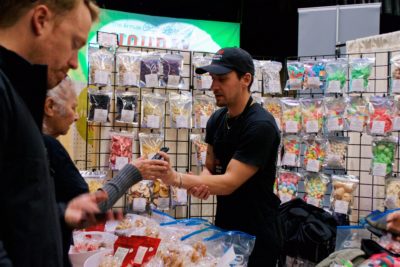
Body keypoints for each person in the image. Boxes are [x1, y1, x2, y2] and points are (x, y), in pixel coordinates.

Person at [0, 1, 107, 266]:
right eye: (75, 43)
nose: (73, 62)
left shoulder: (18, 95)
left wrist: (59, 215)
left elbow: (12, 214)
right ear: (41, 19)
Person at [158, 47, 283, 266]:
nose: (214, 87)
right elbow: (210, 167)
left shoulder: (260, 125)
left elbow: (228, 182)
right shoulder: (216, 119)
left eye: (222, 79)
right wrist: (202, 182)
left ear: (246, 79)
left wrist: (176, 178)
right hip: (224, 227)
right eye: (213, 79)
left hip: (257, 235)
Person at [43, 78, 169, 266]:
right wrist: (131, 173)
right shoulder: (49, 147)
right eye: (73, 108)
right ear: (50, 107)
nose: (77, 116)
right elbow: (89, 209)